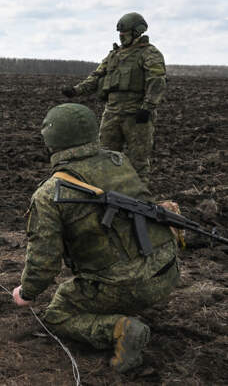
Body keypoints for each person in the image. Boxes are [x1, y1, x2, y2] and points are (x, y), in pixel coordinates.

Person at [12, 103, 179, 373]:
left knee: (58, 313)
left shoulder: (51, 193)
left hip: (132, 284)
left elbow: (44, 261)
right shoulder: (118, 160)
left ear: (51, 141)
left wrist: (27, 293)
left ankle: (121, 330)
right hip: (168, 270)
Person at [60, 12, 166, 186]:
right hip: (112, 113)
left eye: (124, 33)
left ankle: (139, 199)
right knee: (104, 157)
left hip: (136, 115)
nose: (121, 37)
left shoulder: (149, 53)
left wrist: (147, 107)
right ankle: (106, 194)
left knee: (137, 161)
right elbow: (96, 76)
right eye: (120, 34)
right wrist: (75, 90)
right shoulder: (114, 55)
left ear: (136, 32)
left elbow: (157, 81)